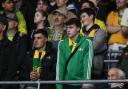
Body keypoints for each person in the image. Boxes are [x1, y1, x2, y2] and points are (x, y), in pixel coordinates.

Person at [56, 18, 93, 89]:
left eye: (71, 27)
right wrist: (59, 86)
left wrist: (86, 83)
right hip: (66, 84)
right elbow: (60, 66)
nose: (68, 30)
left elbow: (87, 65)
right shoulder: (62, 43)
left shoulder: (87, 42)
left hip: (81, 85)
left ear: (78, 28)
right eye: (67, 28)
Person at [80, 8, 107, 79]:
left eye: (84, 16)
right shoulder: (80, 33)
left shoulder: (101, 32)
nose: (82, 19)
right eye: (81, 17)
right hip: (80, 68)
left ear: (91, 16)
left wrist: (80, 48)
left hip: (95, 68)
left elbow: (94, 47)